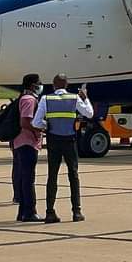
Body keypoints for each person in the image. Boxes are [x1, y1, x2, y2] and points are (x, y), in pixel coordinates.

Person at [33, 74, 93, 223]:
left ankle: (50, 212)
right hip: (70, 140)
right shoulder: (74, 98)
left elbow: (36, 123)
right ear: (67, 85)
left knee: (52, 175)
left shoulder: (46, 99)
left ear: (53, 85)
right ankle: (76, 211)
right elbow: (89, 113)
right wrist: (85, 98)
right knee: (73, 175)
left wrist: (47, 126)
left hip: (53, 140)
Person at [11, 74, 43, 222]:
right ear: (32, 85)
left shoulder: (22, 98)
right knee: (28, 179)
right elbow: (25, 122)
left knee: (24, 178)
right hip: (27, 143)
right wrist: (37, 131)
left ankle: (22, 212)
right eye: (39, 83)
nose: (40, 85)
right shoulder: (29, 100)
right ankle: (30, 212)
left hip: (20, 143)